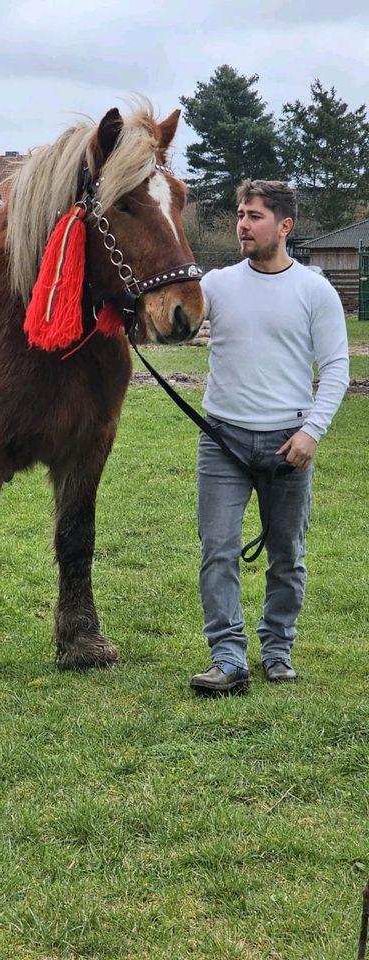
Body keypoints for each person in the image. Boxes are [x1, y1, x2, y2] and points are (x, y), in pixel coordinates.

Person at [190, 180, 349, 696]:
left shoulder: (314, 290)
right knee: (218, 550)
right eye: (240, 214)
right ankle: (229, 657)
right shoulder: (216, 284)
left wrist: (311, 432)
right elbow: (166, 322)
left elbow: (337, 368)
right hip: (223, 442)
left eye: (254, 216)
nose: (242, 224)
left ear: (284, 226)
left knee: (288, 555)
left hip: (289, 445)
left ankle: (277, 648)